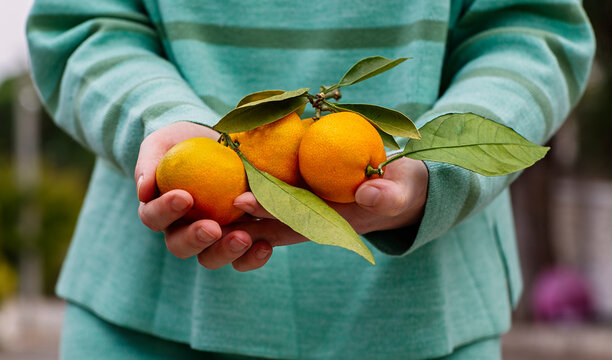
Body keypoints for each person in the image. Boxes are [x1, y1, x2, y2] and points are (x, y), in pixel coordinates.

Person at [26, 0, 594, 359]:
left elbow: (531, 29)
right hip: (149, 319)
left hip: (423, 319)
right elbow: (81, 21)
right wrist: (163, 119)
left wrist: (436, 172)